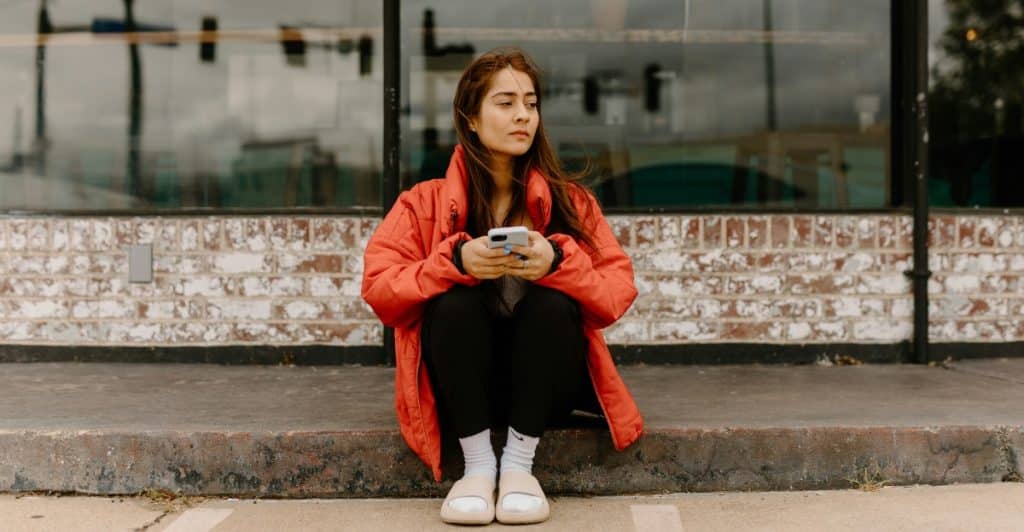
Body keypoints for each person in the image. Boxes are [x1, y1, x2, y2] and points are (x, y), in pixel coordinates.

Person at [362, 47, 643, 525]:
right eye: (506, 103)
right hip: (465, 385)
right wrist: (453, 261)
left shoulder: (570, 202)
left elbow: (617, 290)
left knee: (553, 305)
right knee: (453, 304)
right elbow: (379, 288)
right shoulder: (422, 203)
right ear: (471, 118)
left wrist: (557, 261)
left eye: (531, 104)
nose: (523, 116)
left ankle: (517, 467)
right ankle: (476, 467)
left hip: (545, 384)